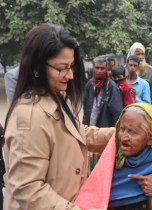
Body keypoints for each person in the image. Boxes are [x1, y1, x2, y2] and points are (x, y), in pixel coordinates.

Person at [3, 23, 114, 210]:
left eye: (71, 67)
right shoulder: (29, 116)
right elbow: (26, 188)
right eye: (61, 68)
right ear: (37, 67)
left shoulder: (59, 96)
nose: (69, 75)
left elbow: (78, 134)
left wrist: (118, 134)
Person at [74, 103, 152, 210]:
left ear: (150, 139)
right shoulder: (114, 151)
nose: (124, 137)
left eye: (132, 132)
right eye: (122, 129)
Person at [83, 56, 123, 128]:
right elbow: (85, 108)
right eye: (97, 68)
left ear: (106, 68)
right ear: (93, 67)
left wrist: (112, 132)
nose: (99, 71)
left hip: (105, 131)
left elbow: (117, 112)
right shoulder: (89, 85)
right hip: (89, 128)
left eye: (102, 68)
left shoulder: (111, 87)